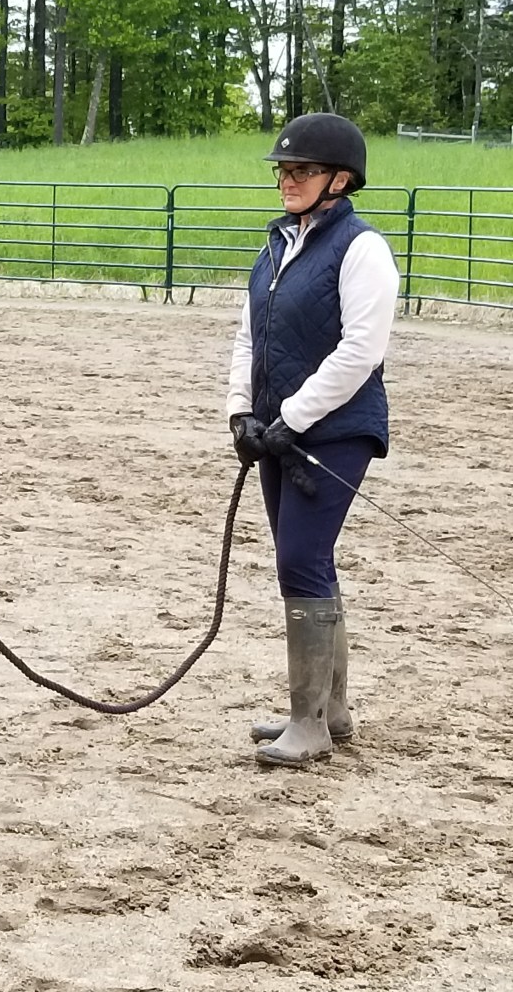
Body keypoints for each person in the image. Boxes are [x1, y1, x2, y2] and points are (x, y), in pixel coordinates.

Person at [226, 112, 400, 767]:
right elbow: (250, 335)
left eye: (301, 170)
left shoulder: (361, 249)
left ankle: (309, 725)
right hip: (278, 433)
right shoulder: (275, 247)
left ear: (340, 179)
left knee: (299, 559)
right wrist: (241, 413)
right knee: (307, 560)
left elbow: (361, 350)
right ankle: (330, 710)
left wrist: (292, 416)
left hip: (336, 430)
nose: (287, 180)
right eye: (283, 170)